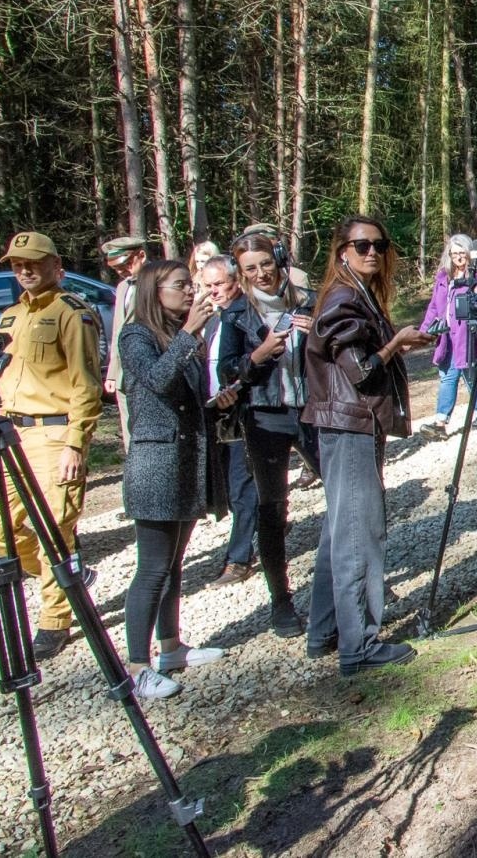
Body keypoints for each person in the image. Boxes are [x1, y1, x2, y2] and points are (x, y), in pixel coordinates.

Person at [303, 215, 432, 675]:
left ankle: (324, 632)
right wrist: (396, 343)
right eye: (362, 245)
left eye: (379, 244)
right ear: (342, 251)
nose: (372, 252)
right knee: (360, 532)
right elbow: (360, 371)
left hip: (348, 423)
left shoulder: (355, 294)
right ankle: (358, 645)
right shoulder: (343, 298)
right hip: (350, 423)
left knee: (339, 530)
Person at [117, 259, 231, 698]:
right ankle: (138, 666)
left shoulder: (174, 336)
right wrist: (190, 332)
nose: (191, 291)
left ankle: (171, 646)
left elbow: (185, 400)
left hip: (184, 463)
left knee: (174, 565)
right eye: (181, 285)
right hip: (155, 467)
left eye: (191, 285)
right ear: (154, 290)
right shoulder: (136, 336)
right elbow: (156, 382)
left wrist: (218, 402)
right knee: (151, 569)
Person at [0, 232, 103, 660]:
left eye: (34, 263)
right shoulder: (9, 317)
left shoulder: (71, 314)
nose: (25, 270)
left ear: (55, 265)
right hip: (13, 433)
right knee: (4, 534)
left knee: (54, 531)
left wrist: (74, 445)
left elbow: (85, 385)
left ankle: (54, 621)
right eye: (18, 263)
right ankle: (69, 578)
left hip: (54, 435)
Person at [220, 229, 321, 637]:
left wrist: (319, 333)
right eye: (250, 268)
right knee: (272, 507)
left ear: (278, 260)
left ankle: (344, 582)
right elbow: (227, 370)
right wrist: (256, 357)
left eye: (265, 263)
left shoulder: (308, 301)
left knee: (344, 490)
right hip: (265, 415)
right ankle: (281, 600)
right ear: (240, 273)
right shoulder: (237, 314)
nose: (261, 273)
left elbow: (334, 352)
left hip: (313, 409)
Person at [198, 255, 261, 589]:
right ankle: (263, 529)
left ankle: (239, 558)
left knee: (242, 486)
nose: (213, 291)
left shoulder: (246, 313)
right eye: (207, 286)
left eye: (219, 284)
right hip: (215, 414)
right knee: (231, 485)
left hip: (241, 411)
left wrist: (237, 389)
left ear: (236, 280)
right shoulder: (210, 318)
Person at [417, 235, 477, 437]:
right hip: (447, 337)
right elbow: (433, 307)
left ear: (468, 253)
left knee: (471, 375)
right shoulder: (443, 277)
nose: (458, 257)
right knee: (447, 376)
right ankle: (440, 422)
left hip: (468, 335)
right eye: (454, 253)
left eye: (461, 253)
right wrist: (423, 331)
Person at [102, 234, 147, 448]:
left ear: (141, 256)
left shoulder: (157, 282)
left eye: (126, 264)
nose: (122, 271)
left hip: (146, 368)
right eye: (117, 268)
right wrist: (112, 372)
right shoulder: (122, 287)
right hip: (123, 372)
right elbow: (117, 331)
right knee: (128, 427)